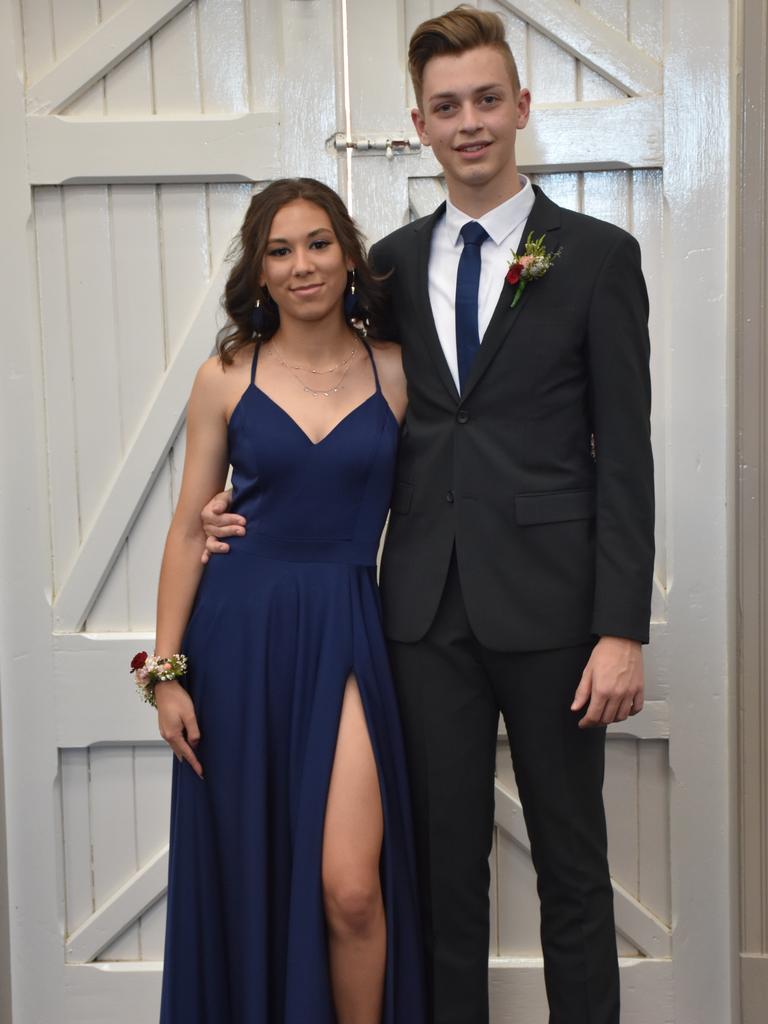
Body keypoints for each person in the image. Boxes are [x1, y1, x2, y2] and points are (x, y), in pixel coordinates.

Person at [202, 7, 654, 1024]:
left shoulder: (594, 257)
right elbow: (327, 388)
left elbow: (627, 454)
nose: (470, 122)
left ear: (521, 107)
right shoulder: (390, 269)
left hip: (557, 618)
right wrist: (241, 507)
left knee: (573, 876)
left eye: (487, 99)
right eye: (447, 106)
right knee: (441, 880)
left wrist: (621, 626)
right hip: (419, 620)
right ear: (419, 122)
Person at [146, 177, 424, 1024]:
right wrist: (164, 674)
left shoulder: (399, 374)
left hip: (347, 624)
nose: (301, 265)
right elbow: (191, 530)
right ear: (258, 273)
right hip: (238, 636)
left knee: (350, 887)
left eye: (317, 244)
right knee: (250, 874)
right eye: (279, 250)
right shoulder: (224, 376)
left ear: (347, 256)